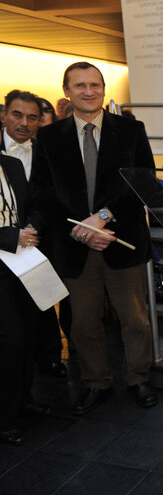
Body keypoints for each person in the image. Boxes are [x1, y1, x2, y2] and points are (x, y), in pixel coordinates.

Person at [31, 62, 159, 416]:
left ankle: (137, 377)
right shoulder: (49, 137)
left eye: (95, 84)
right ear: (67, 91)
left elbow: (145, 184)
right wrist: (81, 230)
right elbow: (41, 192)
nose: (89, 91)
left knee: (134, 319)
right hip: (74, 246)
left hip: (122, 240)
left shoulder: (131, 131)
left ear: (104, 89)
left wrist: (102, 219)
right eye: (80, 85)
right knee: (83, 323)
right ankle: (96, 382)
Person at [2, 90, 68, 381]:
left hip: (37, 239)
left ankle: (48, 358)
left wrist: (31, 230)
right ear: (4, 115)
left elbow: (46, 197)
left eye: (32, 117)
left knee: (40, 302)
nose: (24, 123)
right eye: (17, 115)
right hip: (2, 243)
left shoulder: (47, 151)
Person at [0, 152, 42, 446]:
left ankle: (23, 400)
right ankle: (4, 419)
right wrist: (10, 236)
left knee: (29, 332)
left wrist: (29, 229)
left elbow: (31, 206)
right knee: (10, 340)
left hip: (22, 259)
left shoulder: (11, 164)